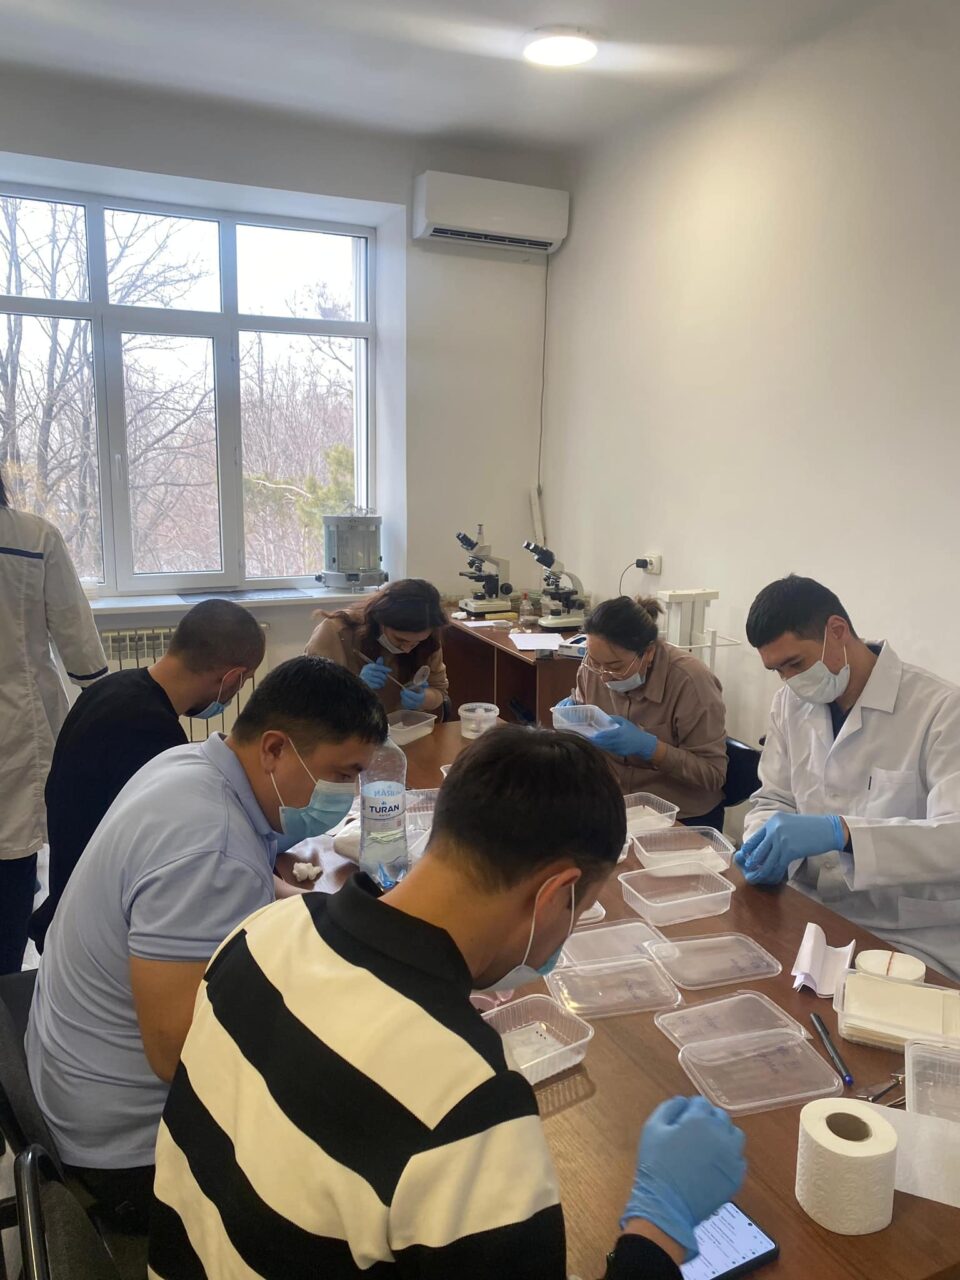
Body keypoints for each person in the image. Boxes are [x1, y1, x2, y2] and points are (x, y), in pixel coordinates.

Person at [149, 726, 746, 1279]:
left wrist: (432, 1007)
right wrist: (658, 1229)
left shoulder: (261, 931)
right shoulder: (470, 1106)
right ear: (556, 893)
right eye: (580, 910)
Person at [26, 656, 387, 1231]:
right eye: (344, 774)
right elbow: (178, 1055)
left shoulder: (190, 765)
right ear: (274, 749)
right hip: (128, 1149)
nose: (350, 793)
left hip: (71, 1070)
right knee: (366, 1146)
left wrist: (319, 914)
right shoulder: (209, 847)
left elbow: (245, 871)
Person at [735, 575, 960, 980]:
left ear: (836, 631)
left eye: (795, 664)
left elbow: (954, 838)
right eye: (776, 670)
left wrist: (844, 833)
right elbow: (774, 799)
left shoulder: (942, 711)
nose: (788, 681)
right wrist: (762, 845)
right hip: (811, 910)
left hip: (907, 935)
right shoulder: (789, 703)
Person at [30, 598, 266, 952]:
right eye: (243, 681)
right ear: (231, 677)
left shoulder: (109, 689)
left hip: (67, 892)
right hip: (100, 929)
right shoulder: (153, 733)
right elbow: (182, 851)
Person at [0, 465, 107, 974]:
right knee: (12, 861)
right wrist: (101, 695)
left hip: (17, 728)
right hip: (15, 727)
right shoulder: (31, 537)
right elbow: (76, 636)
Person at [561, 596, 727, 826]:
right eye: (595, 662)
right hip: (614, 803)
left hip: (678, 815)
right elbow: (583, 722)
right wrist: (572, 723)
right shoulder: (593, 666)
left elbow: (713, 774)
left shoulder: (691, 682)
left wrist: (652, 748)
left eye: (615, 666)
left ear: (648, 652)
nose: (603, 676)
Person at [305, 578, 449, 715]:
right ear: (380, 620)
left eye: (416, 642)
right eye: (400, 639)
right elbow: (309, 696)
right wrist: (355, 686)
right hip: (344, 726)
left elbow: (439, 690)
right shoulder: (336, 632)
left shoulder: (427, 640)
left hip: (399, 726)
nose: (407, 649)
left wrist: (424, 698)